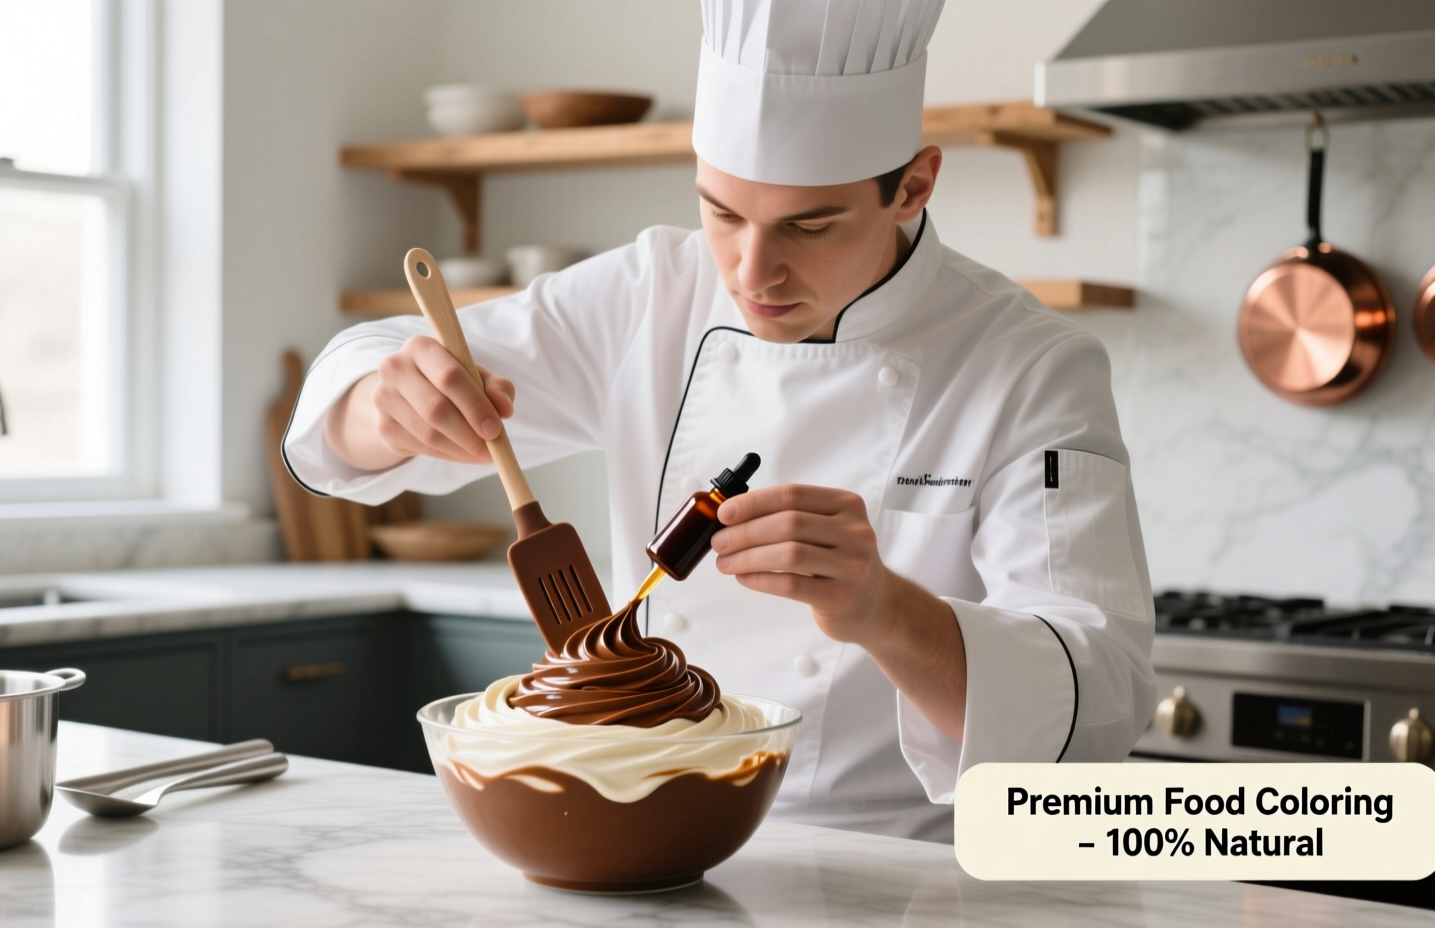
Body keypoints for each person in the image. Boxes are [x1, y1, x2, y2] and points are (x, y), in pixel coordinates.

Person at [285, 0, 1155, 843]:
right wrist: (386, 403)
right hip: (653, 850)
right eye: (723, 212)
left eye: (809, 227)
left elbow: (1100, 701)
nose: (753, 271)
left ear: (913, 186)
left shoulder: (1031, 366)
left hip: (896, 878)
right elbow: (347, 411)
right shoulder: (650, 292)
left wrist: (885, 609)